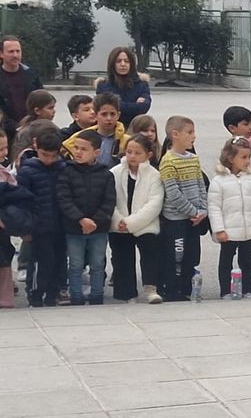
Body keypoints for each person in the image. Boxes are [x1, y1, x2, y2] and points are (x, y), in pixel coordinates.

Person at [57, 130, 116, 306]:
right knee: (75, 264)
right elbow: (64, 199)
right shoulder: (66, 171)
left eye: (84, 149)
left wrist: (95, 221)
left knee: (97, 264)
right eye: (76, 148)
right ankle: (76, 296)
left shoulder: (106, 174)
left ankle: (97, 296)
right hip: (74, 228)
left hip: (99, 229)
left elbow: (109, 202)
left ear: (96, 152)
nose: (78, 152)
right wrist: (81, 219)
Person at [209, 137, 251, 299]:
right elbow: (214, 208)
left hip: (249, 229)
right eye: (243, 157)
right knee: (226, 261)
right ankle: (225, 291)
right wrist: (219, 229)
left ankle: (247, 288)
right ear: (230, 158)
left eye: (249, 156)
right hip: (229, 230)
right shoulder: (218, 181)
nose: (247, 161)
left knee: (247, 260)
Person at [109, 136, 164, 304]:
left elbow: (154, 203)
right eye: (129, 152)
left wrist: (131, 223)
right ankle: (126, 293)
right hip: (119, 224)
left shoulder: (154, 175)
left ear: (148, 155)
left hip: (145, 224)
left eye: (137, 153)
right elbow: (109, 199)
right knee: (122, 256)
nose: (132, 156)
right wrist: (120, 220)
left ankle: (151, 288)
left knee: (150, 252)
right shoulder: (115, 172)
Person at [159, 116, 208, 302]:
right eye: (189, 132)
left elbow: (201, 185)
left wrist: (203, 210)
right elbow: (173, 192)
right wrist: (193, 211)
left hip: (194, 219)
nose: (194, 136)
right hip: (176, 219)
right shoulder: (168, 161)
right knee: (175, 256)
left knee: (191, 255)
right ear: (175, 134)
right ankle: (172, 290)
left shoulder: (193, 159)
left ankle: (187, 288)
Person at [17, 128, 66, 307]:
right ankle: (35, 294)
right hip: (38, 227)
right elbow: (22, 201)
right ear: (37, 148)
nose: (49, 160)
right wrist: (25, 228)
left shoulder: (63, 168)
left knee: (59, 261)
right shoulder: (27, 171)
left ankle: (53, 294)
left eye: (53, 156)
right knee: (40, 261)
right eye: (45, 155)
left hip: (60, 225)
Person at [0, 131, 34, 308]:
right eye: (0, 149)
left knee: (4, 257)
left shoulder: (5, 172)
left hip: (3, 228)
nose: (4, 153)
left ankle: (5, 298)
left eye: (6, 148)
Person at [0, 36, 45, 152]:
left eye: (18, 51)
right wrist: (16, 127)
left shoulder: (32, 75)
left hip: (33, 132)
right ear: (1, 54)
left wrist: (33, 124)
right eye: (11, 52)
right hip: (5, 135)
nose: (15, 55)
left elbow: (42, 101)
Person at [63, 93, 128, 167]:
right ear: (95, 115)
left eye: (112, 114)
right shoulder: (80, 138)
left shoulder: (126, 141)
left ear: (118, 115)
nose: (109, 118)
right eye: (104, 114)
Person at [95, 47, 151, 128]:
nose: (123, 64)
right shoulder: (103, 86)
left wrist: (116, 104)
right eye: (118, 61)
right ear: (112, 64)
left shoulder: (141, 84)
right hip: (110, 128)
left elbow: (143, 107)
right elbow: (104, 109)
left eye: (127, 61)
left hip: (134, 128)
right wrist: (134, 105)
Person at [11, 90, 57, 164]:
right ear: (37, 111)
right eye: (50, 108)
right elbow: (18, 157)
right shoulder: (25, 132)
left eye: (54, 108)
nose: (54, 111)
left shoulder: (53, 128)